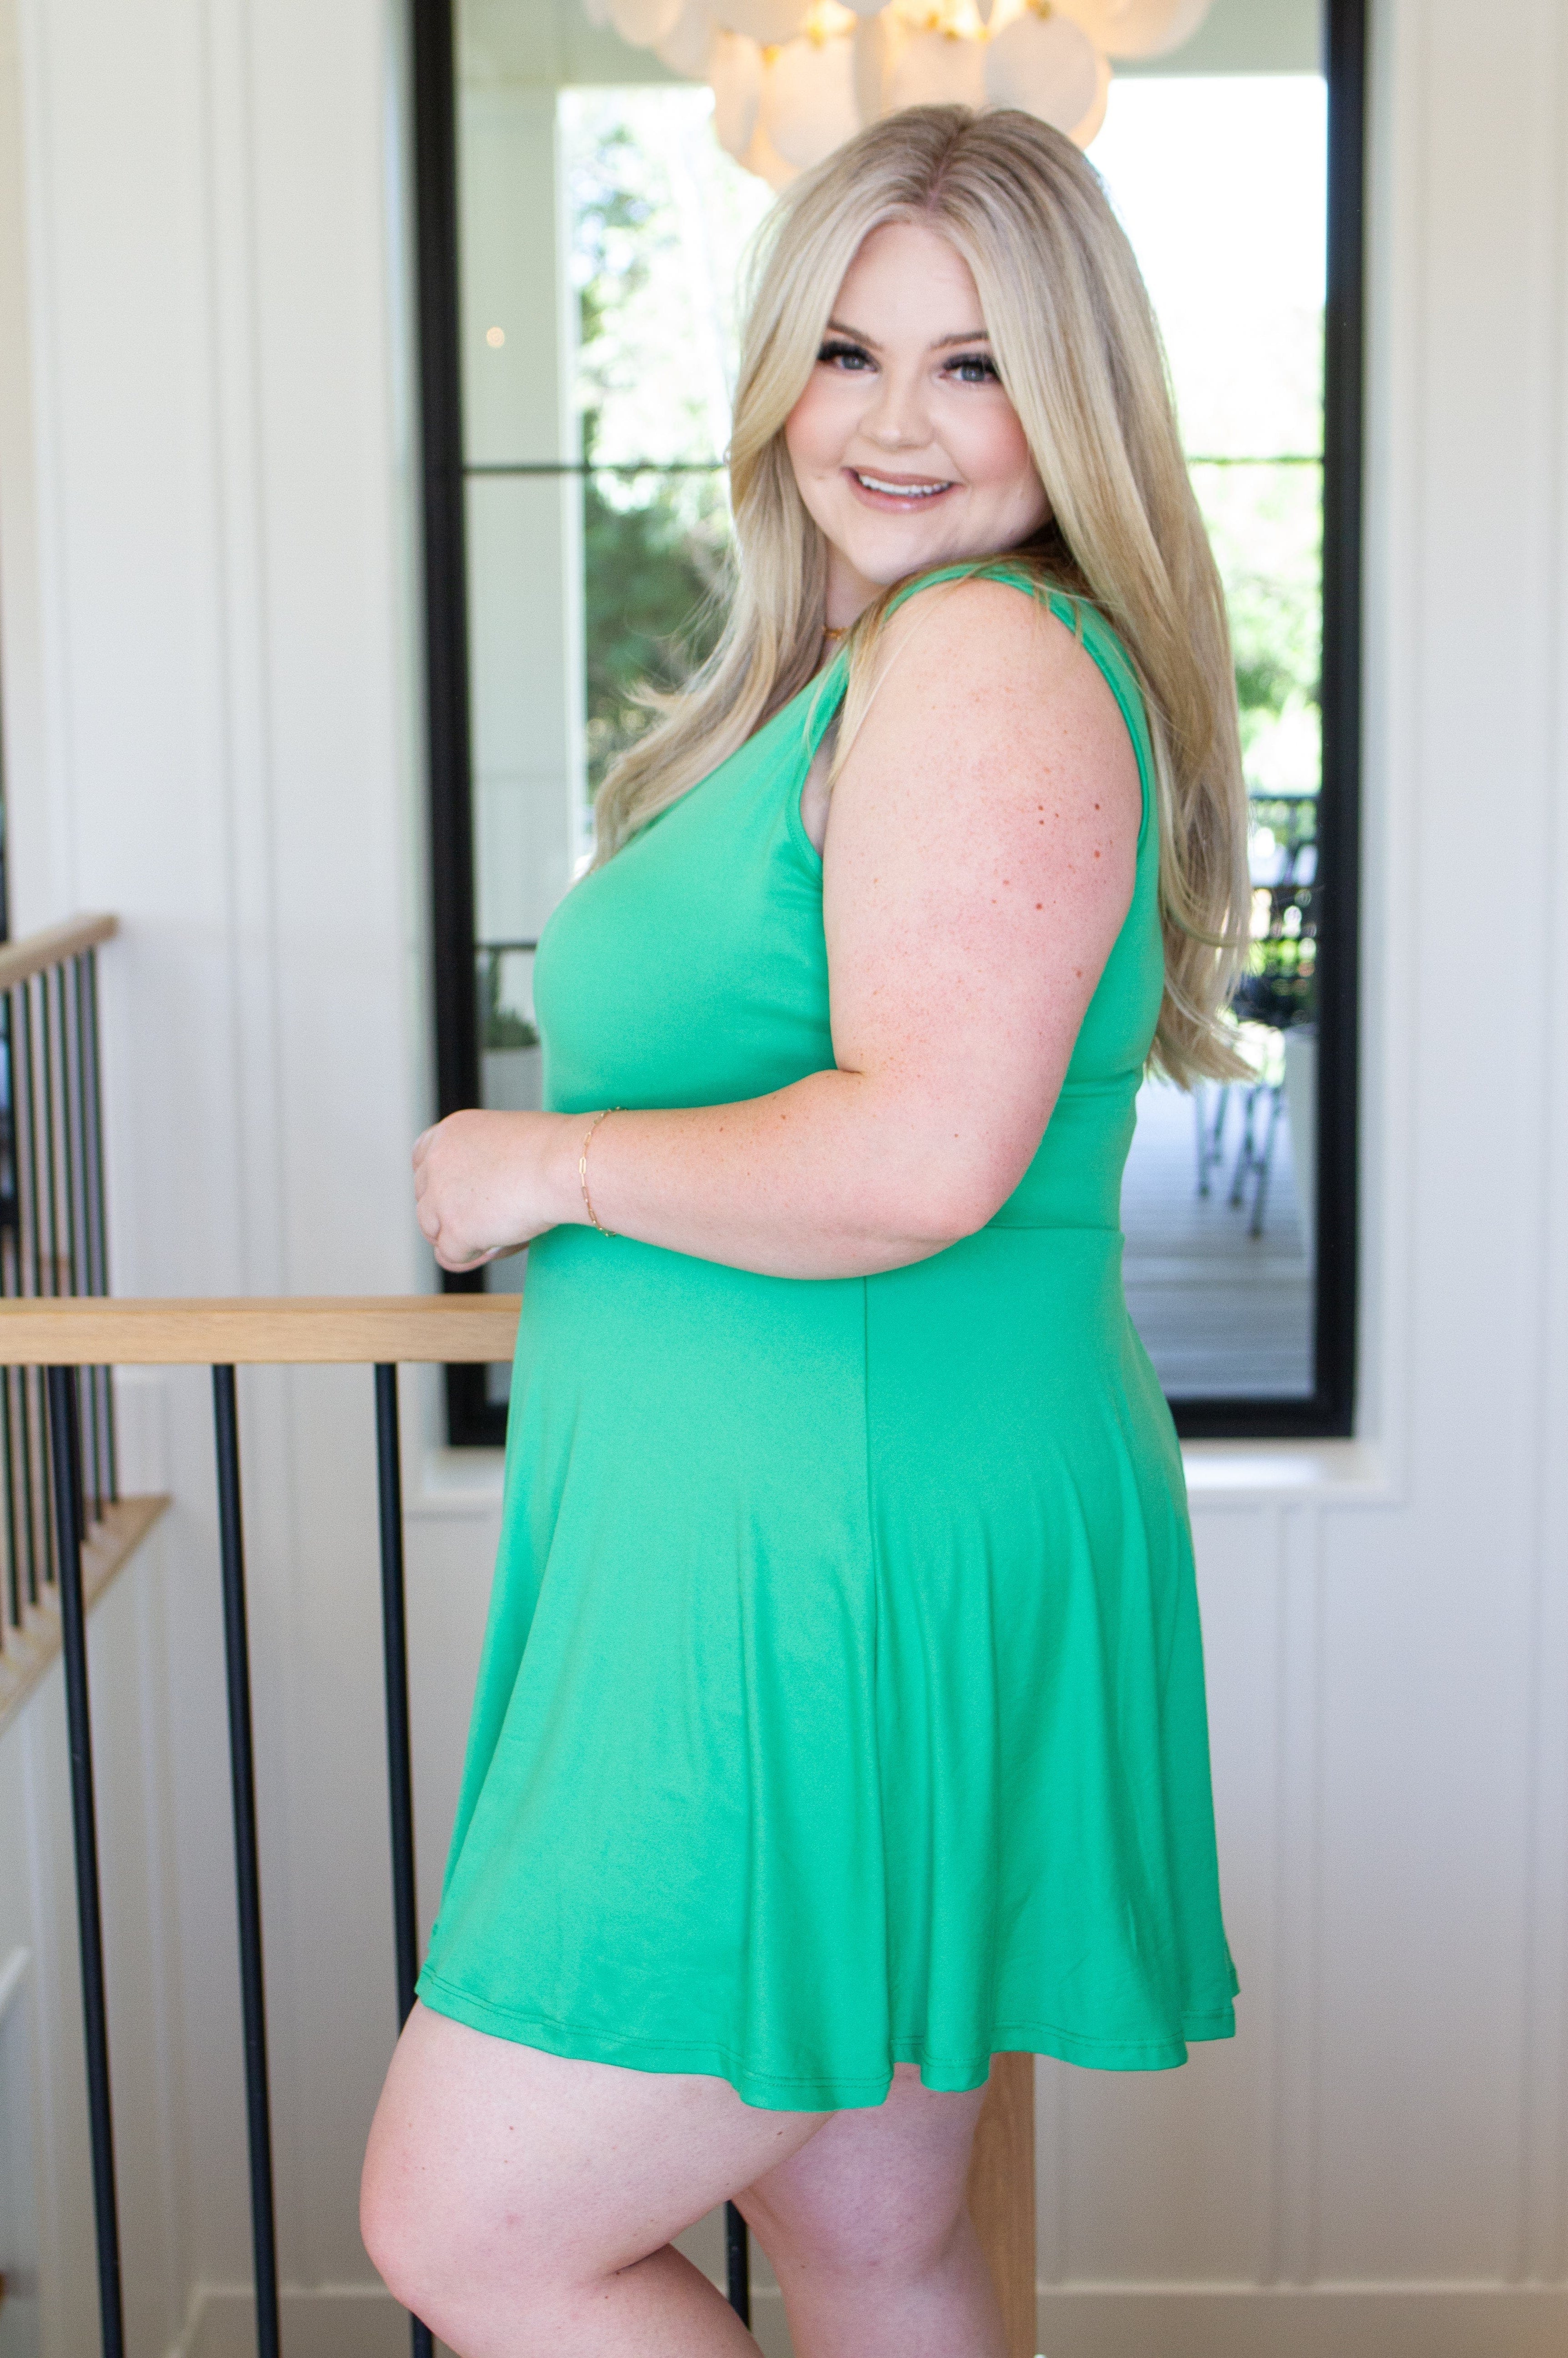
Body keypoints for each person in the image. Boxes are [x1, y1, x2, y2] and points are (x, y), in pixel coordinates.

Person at [363, 101, 1247, 2358]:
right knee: (874, 2246)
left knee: (472, 2234)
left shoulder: (983, 654)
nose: (893, 422)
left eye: (974, 364)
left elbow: (920, 1159)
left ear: (1077, 395)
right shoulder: (863, 668)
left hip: (821, 1560)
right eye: (849, 352)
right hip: (808, 1527)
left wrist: (547, 1170)